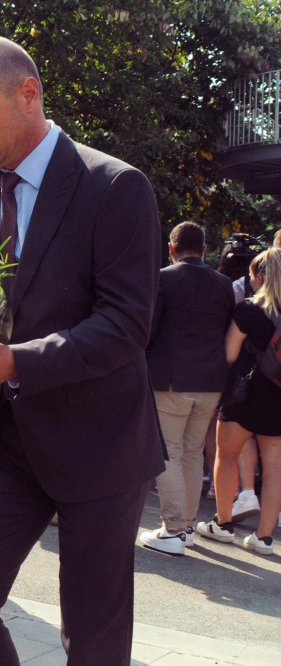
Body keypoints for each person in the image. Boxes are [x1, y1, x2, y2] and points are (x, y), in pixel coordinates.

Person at [0, 36, 165, 666]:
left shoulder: (115, 186)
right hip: (9, 442)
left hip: (102, 445)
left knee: (92, 642)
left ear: (28, 94)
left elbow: (126, 324)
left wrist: (17, 362)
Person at [138, 222, 233, 556]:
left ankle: (174, 529)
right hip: (211, 382)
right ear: (205, 249)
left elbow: (149, 329)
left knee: (171, 452)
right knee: (193, 454)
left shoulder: (163, 279)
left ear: (171, 248)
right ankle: (187, 527)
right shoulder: (224, 285)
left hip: (171, 379)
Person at [197, 247, 281, 555]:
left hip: (244, 396)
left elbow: (229, 355)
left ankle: (223, 524)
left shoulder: (248, 309)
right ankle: (264, 538)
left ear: (260, 276)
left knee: (226, 456)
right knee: (274, 467)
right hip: (278, 401)